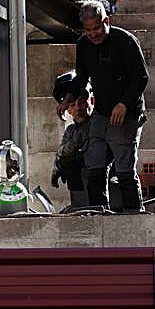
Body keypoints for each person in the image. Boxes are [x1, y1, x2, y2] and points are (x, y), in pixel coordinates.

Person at [56, 0, 149, 212]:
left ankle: (134, 213)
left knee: (124, 166)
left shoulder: (124, 41)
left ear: (106, 21)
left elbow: (141, 77)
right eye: (88, 30)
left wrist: (124, 105)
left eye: (97, 28)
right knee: (94, 163)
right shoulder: (84, 44)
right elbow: (82, 76)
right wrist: (68, 98)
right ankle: (98, 210)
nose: (94, 34)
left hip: (127, 113)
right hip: (101, 113)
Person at [51, 72, 93, 208]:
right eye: (72, 105)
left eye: (81, 102)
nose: (78, 109)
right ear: (67, 110)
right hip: (79, 193)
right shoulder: (70, 130)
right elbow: (62, 152)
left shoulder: (98, 125)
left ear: (91, 101)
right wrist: (58, 167)